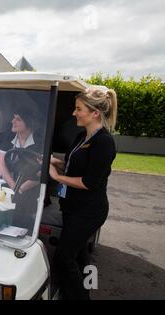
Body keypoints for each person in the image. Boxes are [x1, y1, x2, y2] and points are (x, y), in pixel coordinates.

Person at [49, 87, 117, 300]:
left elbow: (89, 181)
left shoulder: (104, 142)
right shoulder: (82, 135)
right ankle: (88, 286)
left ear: (95, 112)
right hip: (72, 207)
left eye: (79, 109)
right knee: (80, 254)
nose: (73, 113)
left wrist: (57, 177)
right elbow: (74, 163)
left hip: (89, 212)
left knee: (64, 257)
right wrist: (52, 160)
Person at [0, 109, 42, 231]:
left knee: (22, 203)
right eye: (13, 118)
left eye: (18, 119)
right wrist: (14, 186)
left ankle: (20, 232)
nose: (13, 121)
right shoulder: (9, 136)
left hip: (30, 186)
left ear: (28, 122)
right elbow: (1, 165)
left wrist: (21, 188)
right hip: (10, 184)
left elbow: (43, 171)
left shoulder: (40, 141)